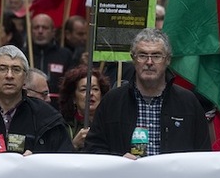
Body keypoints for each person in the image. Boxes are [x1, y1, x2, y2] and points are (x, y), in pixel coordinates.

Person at [85, 28, 210, 157]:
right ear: (133, 59)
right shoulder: (112, 101)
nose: (149, 62)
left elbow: (203, 154)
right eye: (142, 55)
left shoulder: (188, 102)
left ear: (168, 60)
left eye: (156, 56)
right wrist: (119, 161)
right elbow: (93, 149)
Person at [58, 65, 110, 151]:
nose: (91, 93)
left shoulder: (110, 124)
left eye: (95, 89)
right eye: (83, 90)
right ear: (73, 98)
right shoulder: (62, 126)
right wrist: (74, 145)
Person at [28, 13, 72, 100]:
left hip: (56, 105)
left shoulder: (65, 54)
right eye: (36, 27)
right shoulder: (23, 54)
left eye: (45, 28)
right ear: (30, 31)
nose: (40, 31)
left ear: (53, 31)